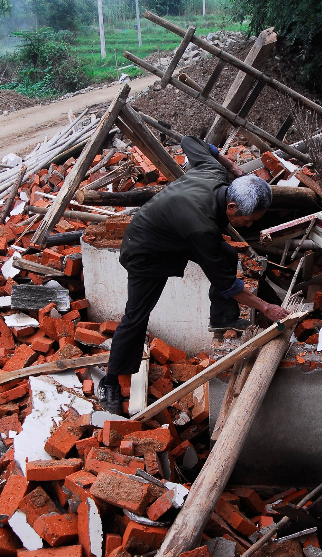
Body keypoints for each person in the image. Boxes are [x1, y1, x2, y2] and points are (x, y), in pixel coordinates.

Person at [97, 135, 290, 414]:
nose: (247, 225)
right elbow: (226, 284)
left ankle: (223, 316)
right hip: (146, 250)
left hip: (175, 231)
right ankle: (111, 380)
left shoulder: (215, 171)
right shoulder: (202, 228)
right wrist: (267, 308)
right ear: (231, 207)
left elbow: (190, 142)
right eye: (246, 220)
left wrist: (232, 167)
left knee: (228, 255)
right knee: (136, 316)